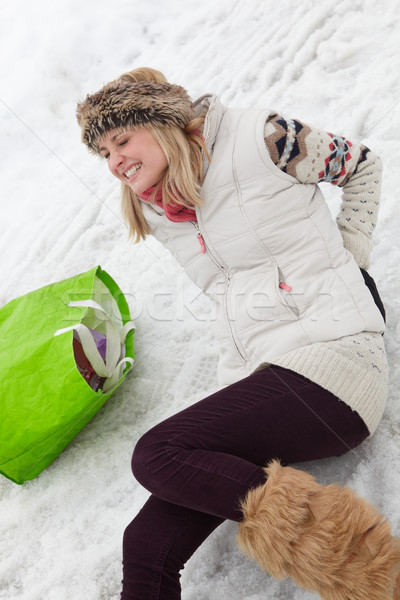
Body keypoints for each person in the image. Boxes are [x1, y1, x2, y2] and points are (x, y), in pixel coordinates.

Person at [76, 67, 400, 600]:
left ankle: (370, 565)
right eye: (103, 153)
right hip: (268, 376)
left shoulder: (263, 138)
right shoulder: (157, 208)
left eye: (121, 140)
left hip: (335, 361)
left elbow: (362, 166)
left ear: (161, 123)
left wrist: (351, 262)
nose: (114, 162)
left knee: (157, 452)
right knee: (146, 546)